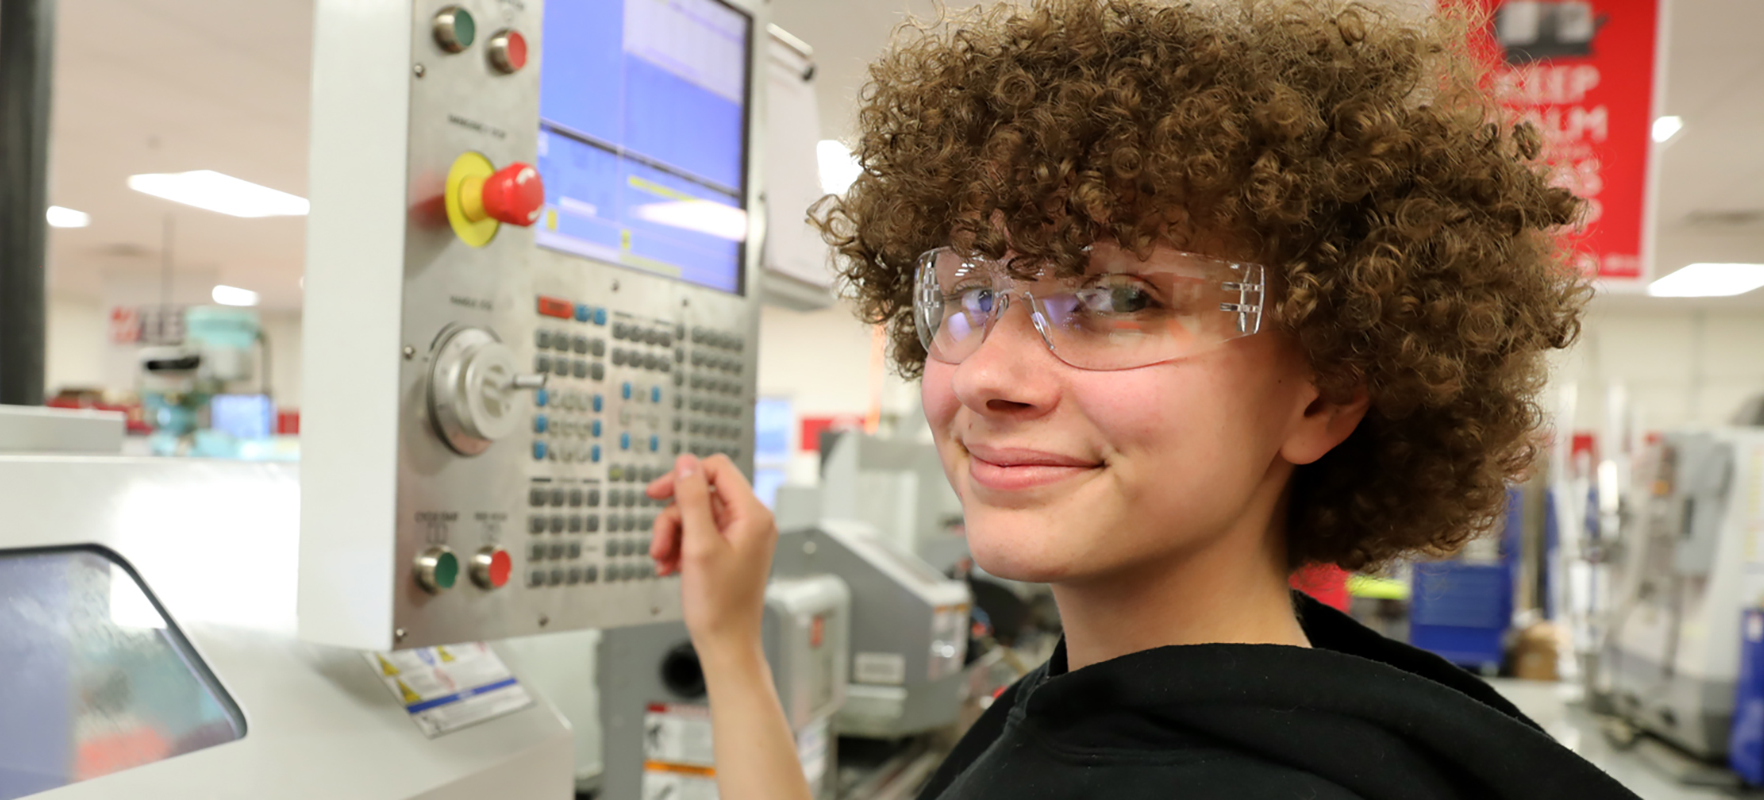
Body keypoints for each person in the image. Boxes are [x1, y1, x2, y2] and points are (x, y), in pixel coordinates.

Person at [642, 0, 1639, 797]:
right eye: (973, 293)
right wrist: (731, 643)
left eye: (1122, 299)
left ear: (1323, 393)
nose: (990, 373)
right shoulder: (1228, 701)